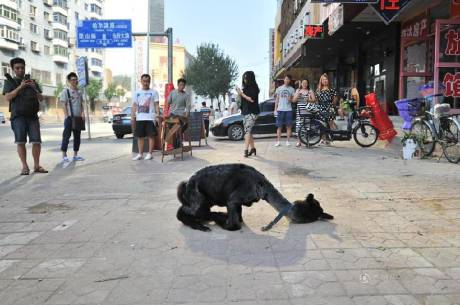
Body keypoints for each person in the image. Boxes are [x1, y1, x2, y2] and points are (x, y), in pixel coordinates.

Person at [2, 57, 47, 175]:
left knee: (37, 141)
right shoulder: (9, 82)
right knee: (20, 141)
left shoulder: (33, 82)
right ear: (13, 69)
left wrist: (34, 88)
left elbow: (42, 99)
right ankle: (25, 166)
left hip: (32, 116)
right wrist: (20, 87)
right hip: (18, 117)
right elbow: (7, 97)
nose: (20, 70)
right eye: (17, 68)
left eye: (22, 67)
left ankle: (37, 166)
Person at [131, 74, 160, 161]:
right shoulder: (137, 93)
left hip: (150, 118)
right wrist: (132, 116)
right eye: (144, 81)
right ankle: (140, 154)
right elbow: (134, 105)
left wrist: (157, 115)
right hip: (140, 118)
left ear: (149, 82)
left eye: (147, 81)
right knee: (140, 137)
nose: (146, 83)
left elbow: (156, 105)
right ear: (141, 81)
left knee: (151, 136)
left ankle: (150, 154)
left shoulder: (154, 92)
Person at [60, 72, 85, 163]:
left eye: (76, 79)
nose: (75, 81)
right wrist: (67, 116)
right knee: (66, 136)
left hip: (78, 118)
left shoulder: (79, 92)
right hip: (70, 118)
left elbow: (81, 104)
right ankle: (64, 155)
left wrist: (82, 114)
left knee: (77, 137)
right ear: (69, 81)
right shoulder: (66, 91)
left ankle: (75, 155)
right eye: (73, 80)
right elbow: (63, 104)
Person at [236, 71, 260, 158]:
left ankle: (245, 150)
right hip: (246, 112)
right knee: (248, 131)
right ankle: (253, 148)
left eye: (246, 78)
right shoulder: (245, 88)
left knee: (247, 131)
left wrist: (241, 94)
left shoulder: (254, 88)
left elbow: (251, 100)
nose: (244, 79)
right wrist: (240, 94)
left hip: (252, 112)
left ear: (250, 78)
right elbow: (243, 100)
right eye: (243, 78)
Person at [316, 73, 339, 145]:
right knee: (322, 124)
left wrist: (331, 105)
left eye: (326, 79)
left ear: (328, 80)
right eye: (323, 79)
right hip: (321, 108)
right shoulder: (318, 90)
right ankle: (323, 139)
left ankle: (332, 138)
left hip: (329, 107)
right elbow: (316, 100)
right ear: (321, 81)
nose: (325, 81)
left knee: (330, 123)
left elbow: (335, 99)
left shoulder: (332, 89)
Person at [293, 78, 316, 147]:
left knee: (307, 125)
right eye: (303, 83)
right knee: (299, 125)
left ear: (308, 84)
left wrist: (309, 100)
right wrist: (298, 95)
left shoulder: (310, 91)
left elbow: (314, 100)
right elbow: (294, 100)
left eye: (306, 83)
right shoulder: (298, 90)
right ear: (301, 84)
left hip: (308, 110)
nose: (304, 84)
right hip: (300, 110)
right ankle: (299, 141)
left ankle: (306, 141)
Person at [274, 75, 295, 146]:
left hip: (288, 110)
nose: (287, 80)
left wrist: (291, 99)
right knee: (279, 126)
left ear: (290, 81)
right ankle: (278, 141)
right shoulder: (279, 88)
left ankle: (288, 141)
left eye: (288, 79)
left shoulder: (292, 89)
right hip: (280, 110)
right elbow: (277, 99)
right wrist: (275, 109)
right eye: (286, 79)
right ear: (284, 79)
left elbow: (294, 100)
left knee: (288, 126)